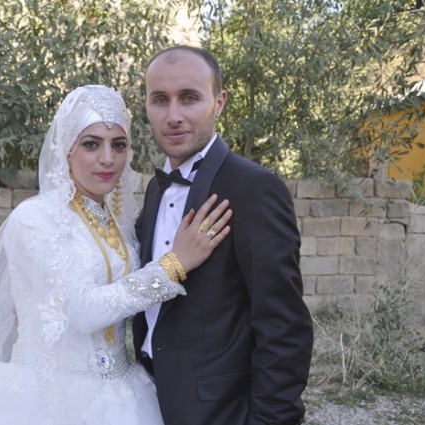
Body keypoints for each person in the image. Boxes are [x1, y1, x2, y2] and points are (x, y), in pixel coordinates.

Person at [0, 84, 232, 425]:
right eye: (91, 144)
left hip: (124, 392)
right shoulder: (34, 218)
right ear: (66, 149)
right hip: (48, 398)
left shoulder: (119, 222)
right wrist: (173, 265)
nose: (108, 158)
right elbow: (82, 311)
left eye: (119, 144)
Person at [133, 46, 314, 425]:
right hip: (147, 400)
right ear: (146, 105)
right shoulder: (155, 189)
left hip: (221, 411)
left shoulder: (255, 188)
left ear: (219, 102)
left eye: (189, 98)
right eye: (160, 100)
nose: (173, 115)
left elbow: (284, 326)